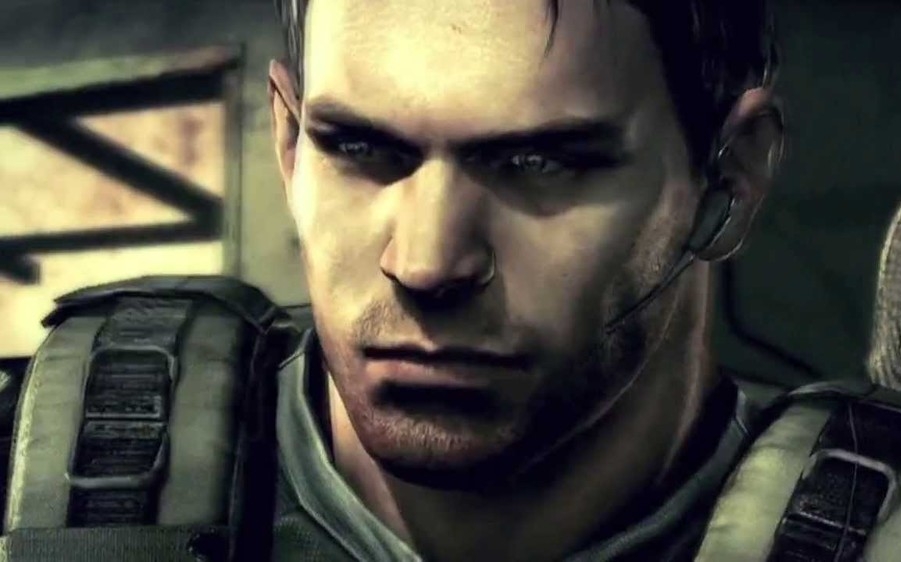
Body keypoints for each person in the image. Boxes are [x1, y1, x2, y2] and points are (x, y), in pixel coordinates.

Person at [265, 0, 782, 560]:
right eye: (358, 148)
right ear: (290, 146)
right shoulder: (199, 460)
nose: (426, 265)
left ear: (729, 183)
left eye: (537, 163)